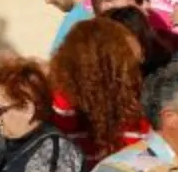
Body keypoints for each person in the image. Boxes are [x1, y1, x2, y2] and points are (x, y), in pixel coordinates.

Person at [49, 17, 150, 162]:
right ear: (107, 68)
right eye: (131, 66)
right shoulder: (57, 111)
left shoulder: (135, 107)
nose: (138, 76)